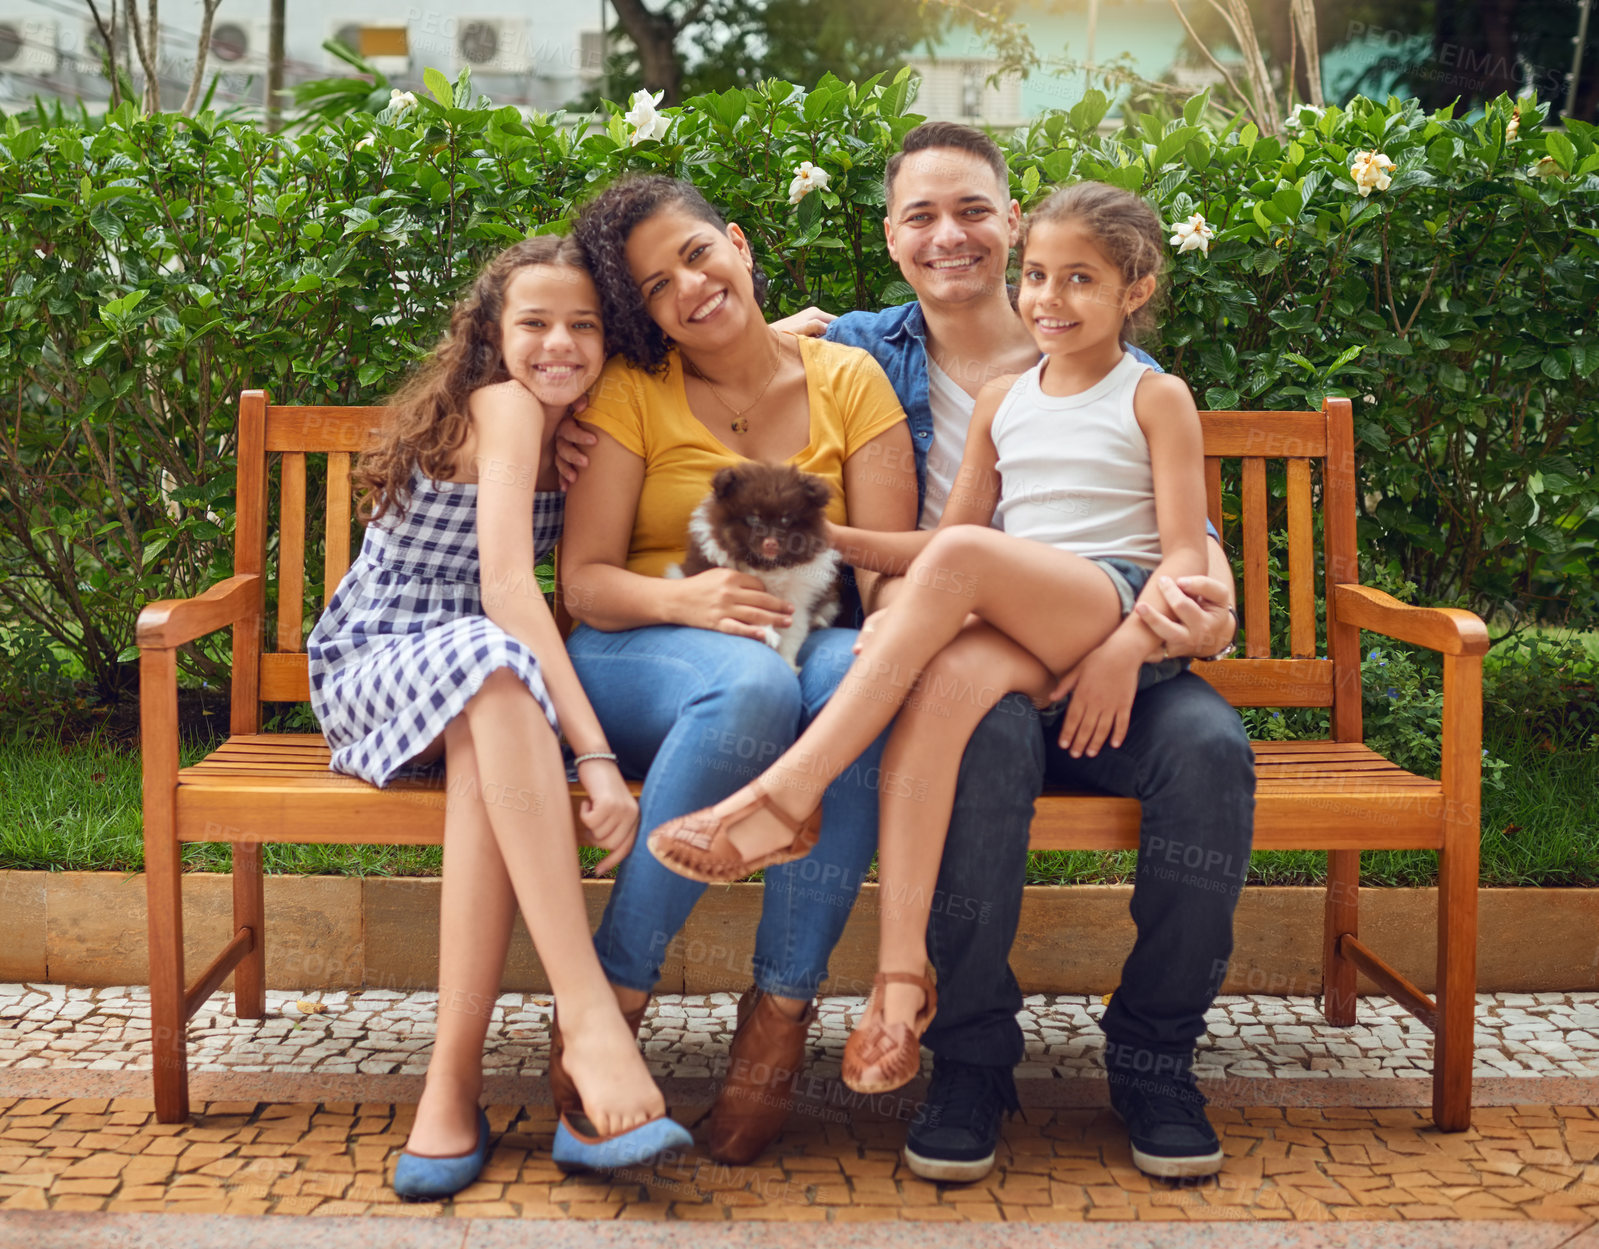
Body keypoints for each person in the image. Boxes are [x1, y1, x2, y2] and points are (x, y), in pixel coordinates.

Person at [648, 179, 1213, 1106]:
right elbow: (936, 545)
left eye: (1079, 280)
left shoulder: (1155, 396)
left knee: (939, 589)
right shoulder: (1001, 399)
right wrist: (827, 542)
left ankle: (788, 793)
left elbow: (1186, 556)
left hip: (1113, 602)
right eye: (1037, 275)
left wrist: (1127, 645)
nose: (1047, 299)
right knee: (937, 695)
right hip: (1016, 620)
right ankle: (898, 983)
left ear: (1136, 289)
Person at [819, 125, 1255, 1183]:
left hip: (1121, 655)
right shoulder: (857, 350)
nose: (948, 237)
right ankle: (970, 1059)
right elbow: (722, 345)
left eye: (972, 210)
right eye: (920, 215)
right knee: (983, 736)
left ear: (1012, 224)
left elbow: (1184, 549)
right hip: (980, 658)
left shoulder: (1116, 369)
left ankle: (1155, 1055)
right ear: (890, 237)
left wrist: (1141, 637)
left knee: (1210, 753)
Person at [306, 237, 690, 1199]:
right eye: (533, 324)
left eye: (583, 326)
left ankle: (450, 1088)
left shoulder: (572, 415)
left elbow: (693, 358)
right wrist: (595, 760)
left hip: (484, 693)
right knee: (493, 661)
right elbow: (512, 594)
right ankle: (590, 1019)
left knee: (491, 714)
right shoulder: (507, 405)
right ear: (488, 335)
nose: (559, 343)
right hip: (378, 663)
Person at [557, 175, 919, 1165]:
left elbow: (888, 557)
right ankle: (614, 997)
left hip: (812, 645)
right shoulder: (631, 393)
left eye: (698, 253)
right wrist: (688, 601)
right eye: (657, 285)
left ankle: (780, 1013)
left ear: (741, 243)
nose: (691, 287)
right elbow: (584, 582)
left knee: (853, 681)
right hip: (642, 652)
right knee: (752, 686)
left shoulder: (850, 380)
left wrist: (887, 645)